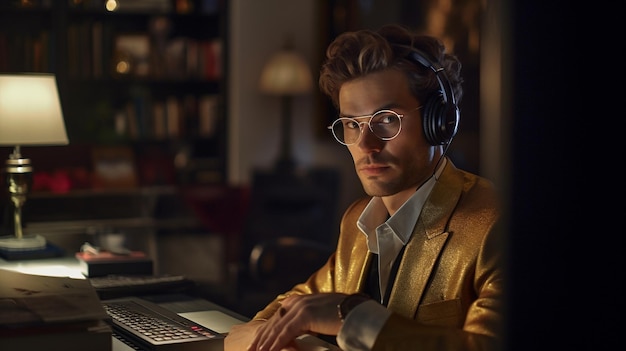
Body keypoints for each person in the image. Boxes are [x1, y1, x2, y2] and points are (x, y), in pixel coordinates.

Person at [225, 23, 504, 351]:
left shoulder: (497, 222)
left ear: (438, 122)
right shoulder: (357, 221)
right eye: (352, 124)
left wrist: (353, 316)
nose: (365, 144)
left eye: (387, 119)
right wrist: (263, 333)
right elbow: (299, 303)